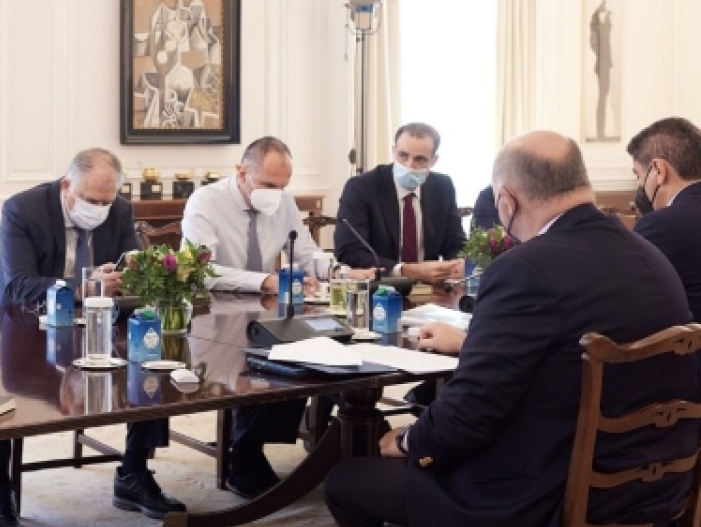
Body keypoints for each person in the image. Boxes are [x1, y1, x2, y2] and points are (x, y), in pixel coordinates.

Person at [323, 131, 699, 527]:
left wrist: (408, 440)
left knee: (347, 481)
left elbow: (470, 413)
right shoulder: (649, 253)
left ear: (506, 201)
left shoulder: (525, 268)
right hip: (658, 484)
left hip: (548, 495)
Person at [0, 149, 183, 526]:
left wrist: (135, 273)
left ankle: (134, 473)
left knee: (149, 359)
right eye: (91, 200)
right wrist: (83, 286)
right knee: (3, 384)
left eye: (106, 201)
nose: (100, 209)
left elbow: (132, 272)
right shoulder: (22, 209)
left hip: (94, 318)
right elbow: (19, 286)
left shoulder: (120, 210)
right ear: (66, 186)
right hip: (20, 319)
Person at [182, 136, 355, 499]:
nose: (276, 193)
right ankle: (244, 455)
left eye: (282, 186)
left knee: (300, 356)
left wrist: (336, 271)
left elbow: (306, 253)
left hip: (264, 307)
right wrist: (265, 280)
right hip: (209, 312)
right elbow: (202, 271)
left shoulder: (283, 202)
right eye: (268, 184)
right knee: (254, 368)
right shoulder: (206, 201)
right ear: (241, 172)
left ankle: (255, 446)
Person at [334, 122, 465, 284]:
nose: (410, 165)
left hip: (430, 288)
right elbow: (349, 252)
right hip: (379, 288)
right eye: (403, 156)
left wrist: (458, 263)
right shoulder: (362, 187)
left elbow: (456, 244)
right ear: (394, 151)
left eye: (420, 159)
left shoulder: (443, 187)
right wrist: (406, 270)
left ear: (433, 160)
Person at [626, 117, 701, 323]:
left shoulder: (660, 226)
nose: (639, 185)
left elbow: (627, 299)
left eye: (638, 175)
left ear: (659, 170)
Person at [590, 0, 614, 140]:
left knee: (604, 96)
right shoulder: (595, 19)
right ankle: (599, 131)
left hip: (606, 62)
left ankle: (601, 131)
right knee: (601, 97)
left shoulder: (607, 17)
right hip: (601, 64)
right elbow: (593, 43)